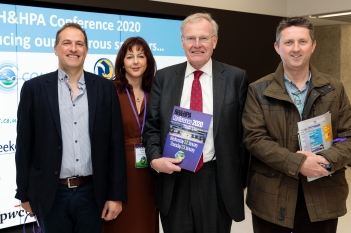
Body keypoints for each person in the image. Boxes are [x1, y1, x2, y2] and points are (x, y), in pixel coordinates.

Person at [242, 16, 351, 233]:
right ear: (277, 47)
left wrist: (325, 159)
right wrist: (299, 164)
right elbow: (255, 139)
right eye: (288, 42)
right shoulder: (258, 90)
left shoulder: (334, 88)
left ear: (313, 45)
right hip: (272, 195)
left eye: (302, 41)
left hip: (322, 193)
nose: (295, 49)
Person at [15, 23, 127, 233]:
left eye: (79, 44)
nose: (73, 49)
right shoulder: (34, 89)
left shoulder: (105, 89)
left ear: (86, 50)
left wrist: (116, 195)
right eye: (67, 43)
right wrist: (24, 193)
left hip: (92, 194)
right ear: (56, 49)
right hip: (51, 194)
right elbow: (24, 146)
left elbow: (115, 145)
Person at [143, 12, 249, 233]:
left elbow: (244, 134)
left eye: (204, 37)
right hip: (174, 179)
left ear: (215, 41)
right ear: (182, 42)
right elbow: (152, 128)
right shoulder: (163, 78)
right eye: (190, 38)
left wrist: (238, 178)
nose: (197, 44)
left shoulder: (235, 78)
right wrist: (154, 160)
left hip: (216, 181)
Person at [102, 37, 158, 233]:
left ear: (148, 61)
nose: (135, 62)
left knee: (144, 223)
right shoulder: (109, 90)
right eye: (130, 56)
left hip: (151, 171)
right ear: (122, 62)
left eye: (141, 56)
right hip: (119, 170)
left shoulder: (157, 92)